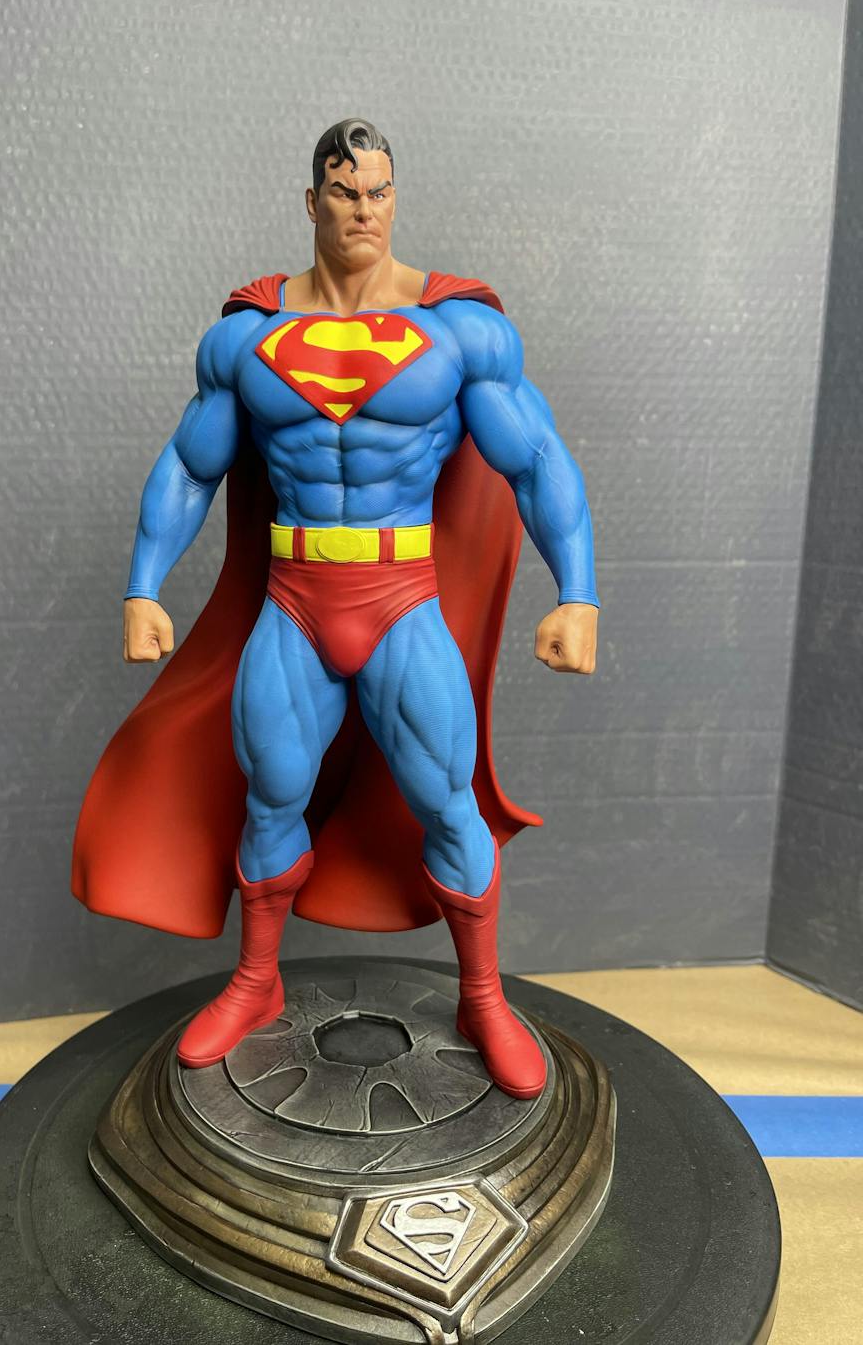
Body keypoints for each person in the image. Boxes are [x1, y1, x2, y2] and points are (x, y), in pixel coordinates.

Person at [73, 118, 599, 1100]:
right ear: (311, 202)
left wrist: (578, 592)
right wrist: (144, 584)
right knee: (269, 792)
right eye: (344, 193)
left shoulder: (460, 331)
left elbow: (535, 460)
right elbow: (189, 465)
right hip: (295, 600)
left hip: (402, 599)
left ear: (395, 198)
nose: (363, 210)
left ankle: (482, 995)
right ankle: (255, 978)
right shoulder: (247, 338)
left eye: (378, 192)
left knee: (445, 799)